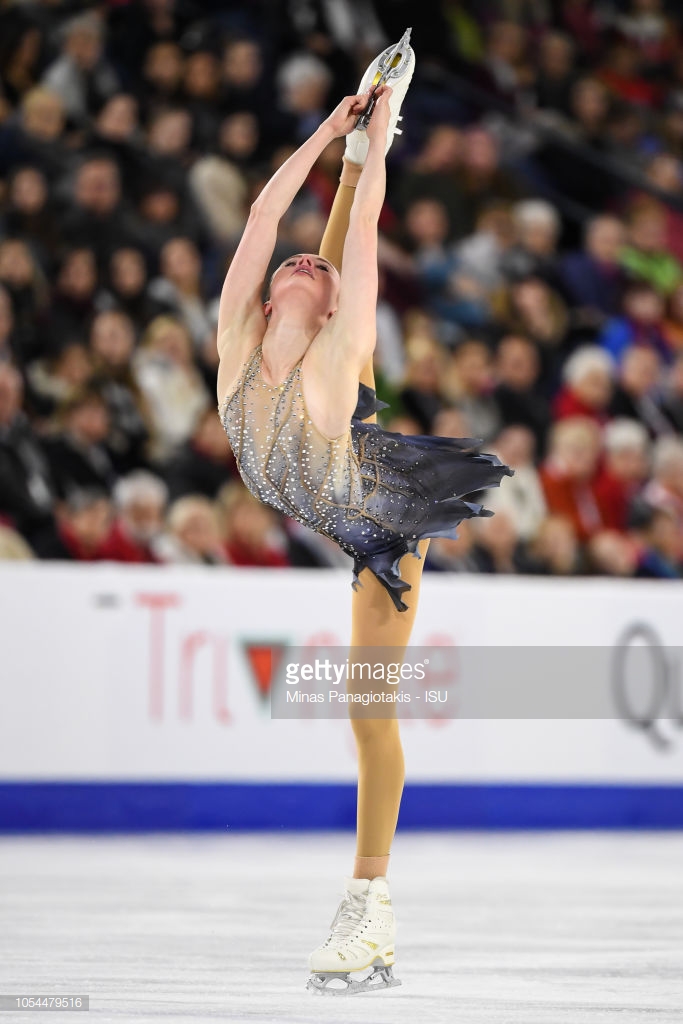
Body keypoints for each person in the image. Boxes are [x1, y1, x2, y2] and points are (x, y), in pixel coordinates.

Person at [216, 38, 512, 995]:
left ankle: (368, 905)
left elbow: (361, 234)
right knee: (336, 224)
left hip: (378, 505)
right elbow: (267, 213)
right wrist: (332, 128)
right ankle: (368, 126)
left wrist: (378, 137)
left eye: (319, 268)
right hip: (325, 468)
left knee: (364, 706)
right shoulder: (233, 343)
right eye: (293, 265)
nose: (305, 259)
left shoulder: (338, 354)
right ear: (269, 297)